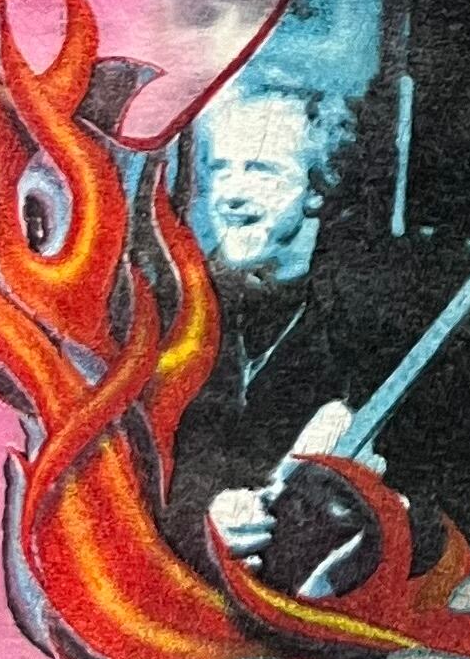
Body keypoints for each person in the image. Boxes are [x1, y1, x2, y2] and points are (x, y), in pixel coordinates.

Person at [157, 82, 379, 571]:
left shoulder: (358, 319)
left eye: (261, 170)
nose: (231, 194)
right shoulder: (166, 306)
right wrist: (200, 521)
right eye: (221, 169)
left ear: (318, 189)